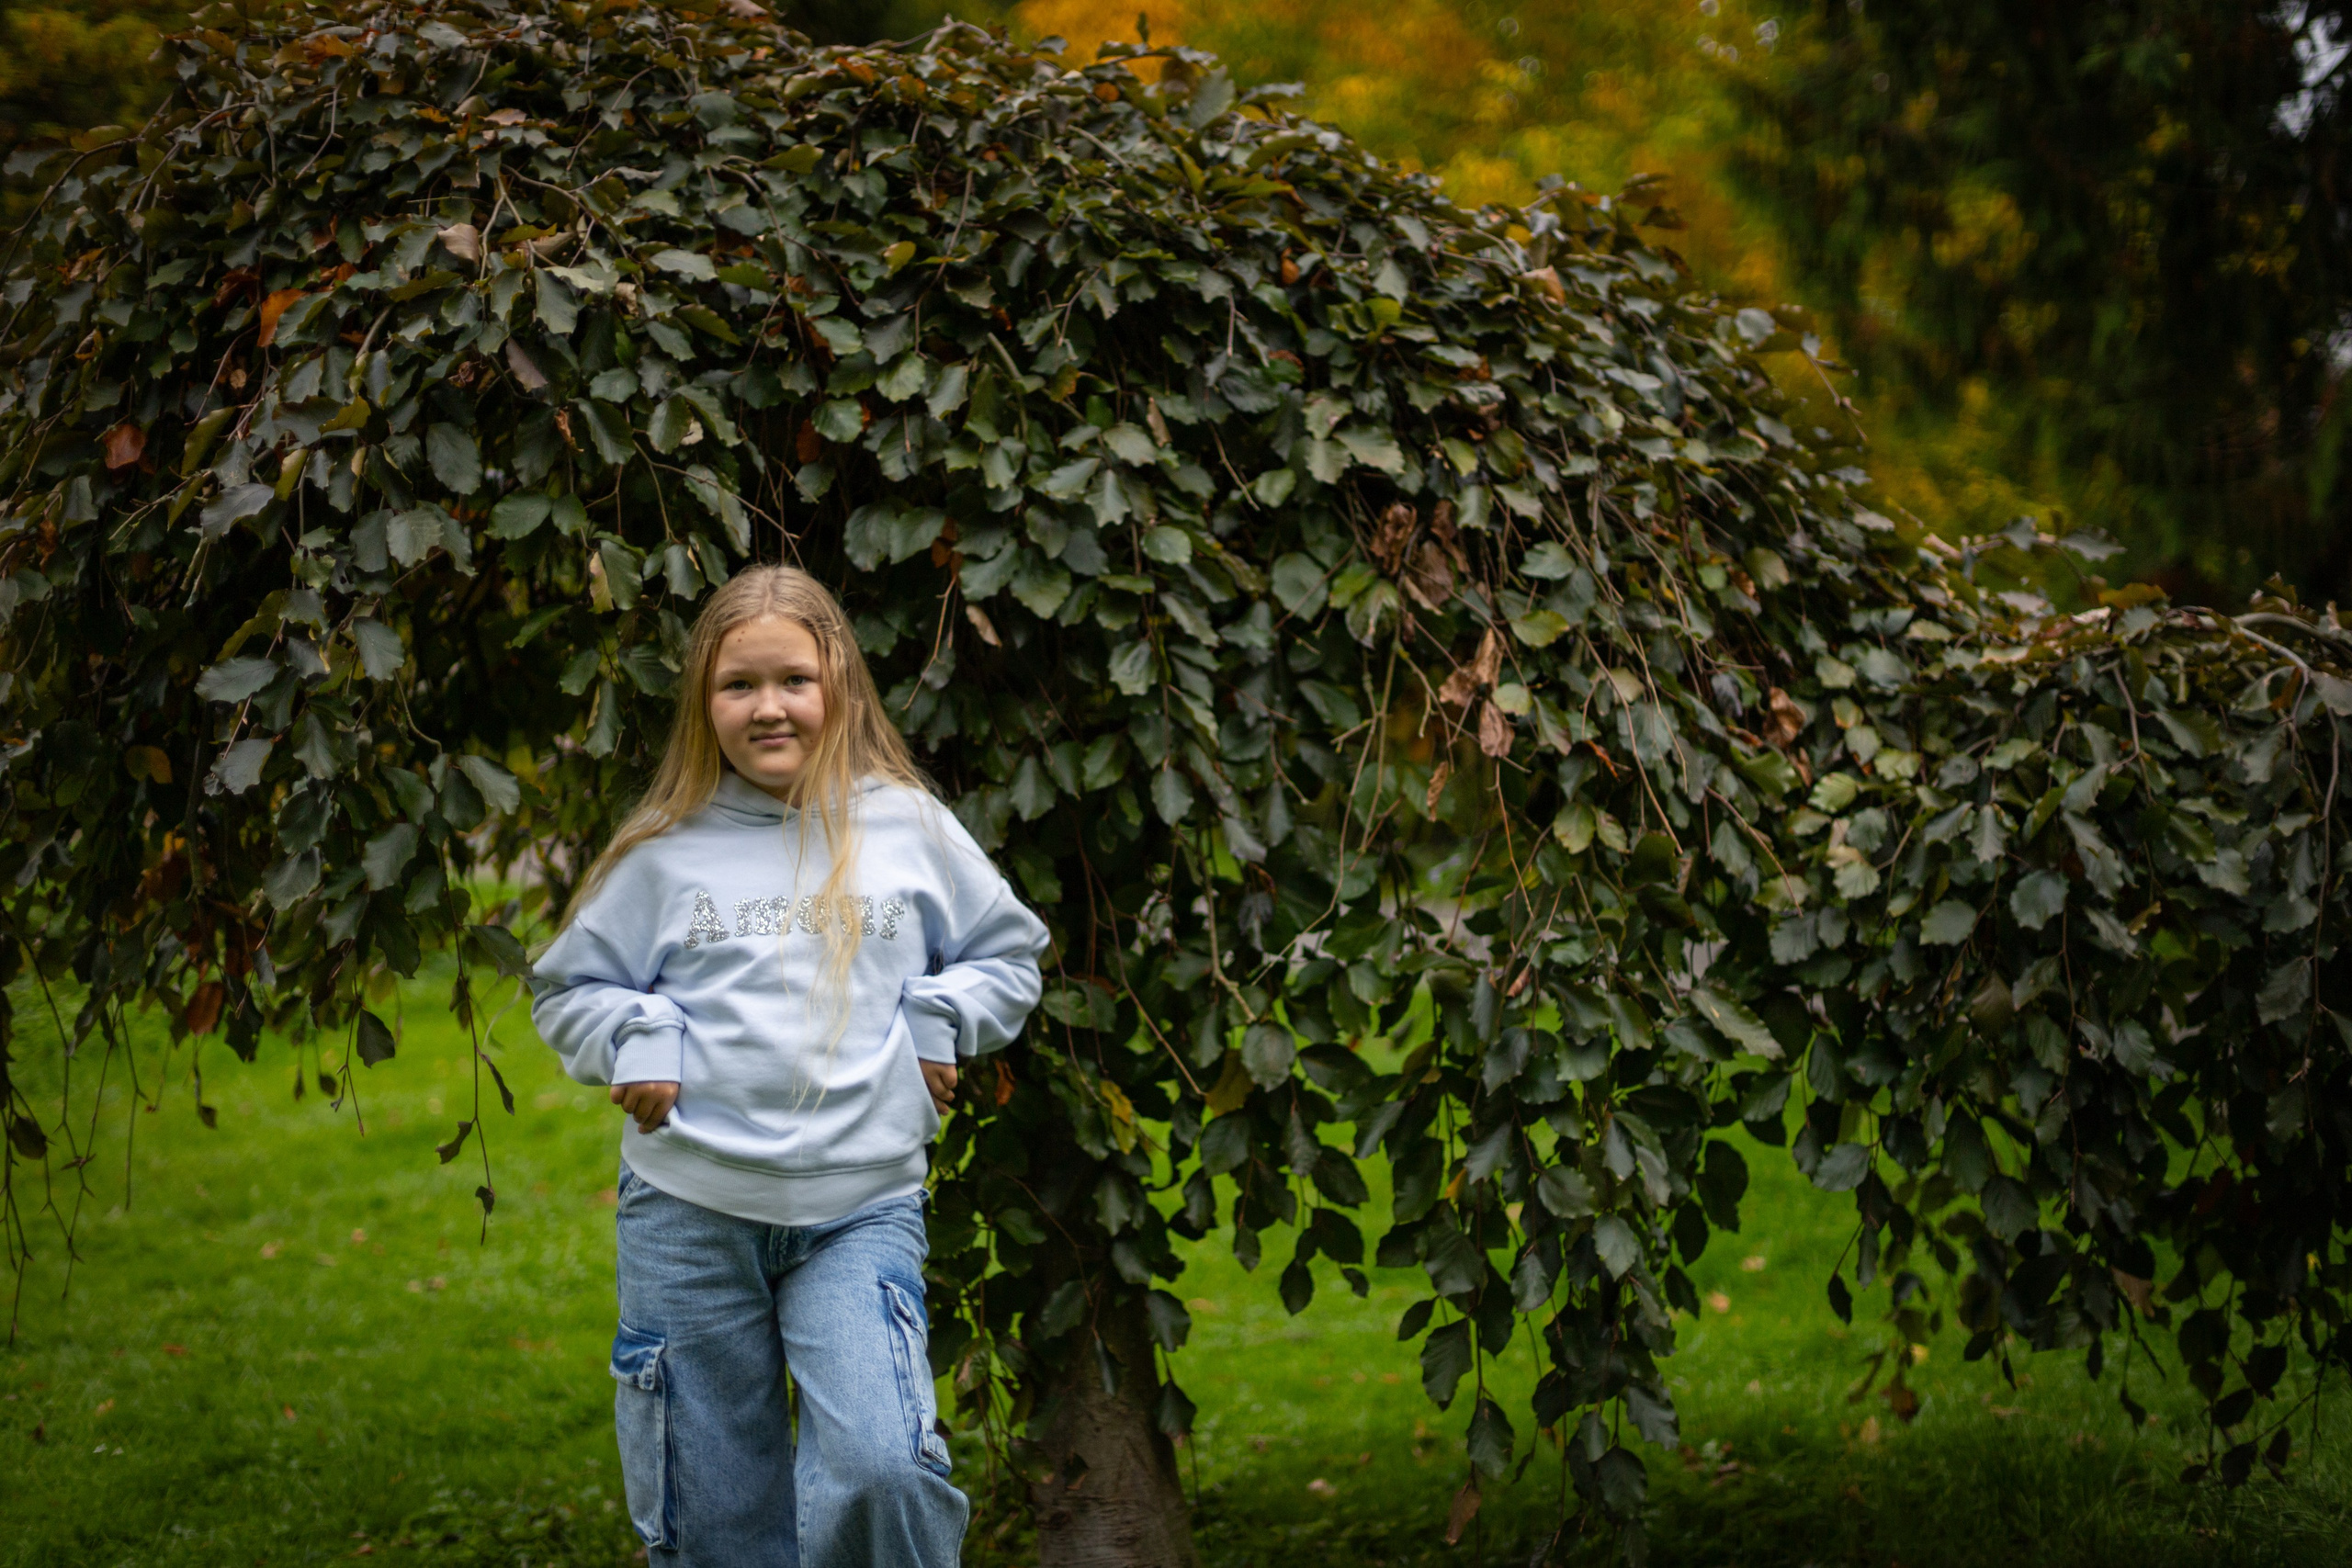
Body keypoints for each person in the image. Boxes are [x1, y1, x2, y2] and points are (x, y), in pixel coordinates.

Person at [532, 564, 1049, 1567]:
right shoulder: (662, 850)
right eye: (739, 685)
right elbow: (569, 990)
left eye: (793, 680)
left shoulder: (907, 827)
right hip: (690, 1219)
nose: (768, 707)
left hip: (860, 1213)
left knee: (883, 1469)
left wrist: (940, 1016)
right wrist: (638, 1035)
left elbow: (1009, 957)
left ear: (837, 686)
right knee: (715, 1523)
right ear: (705, 701)